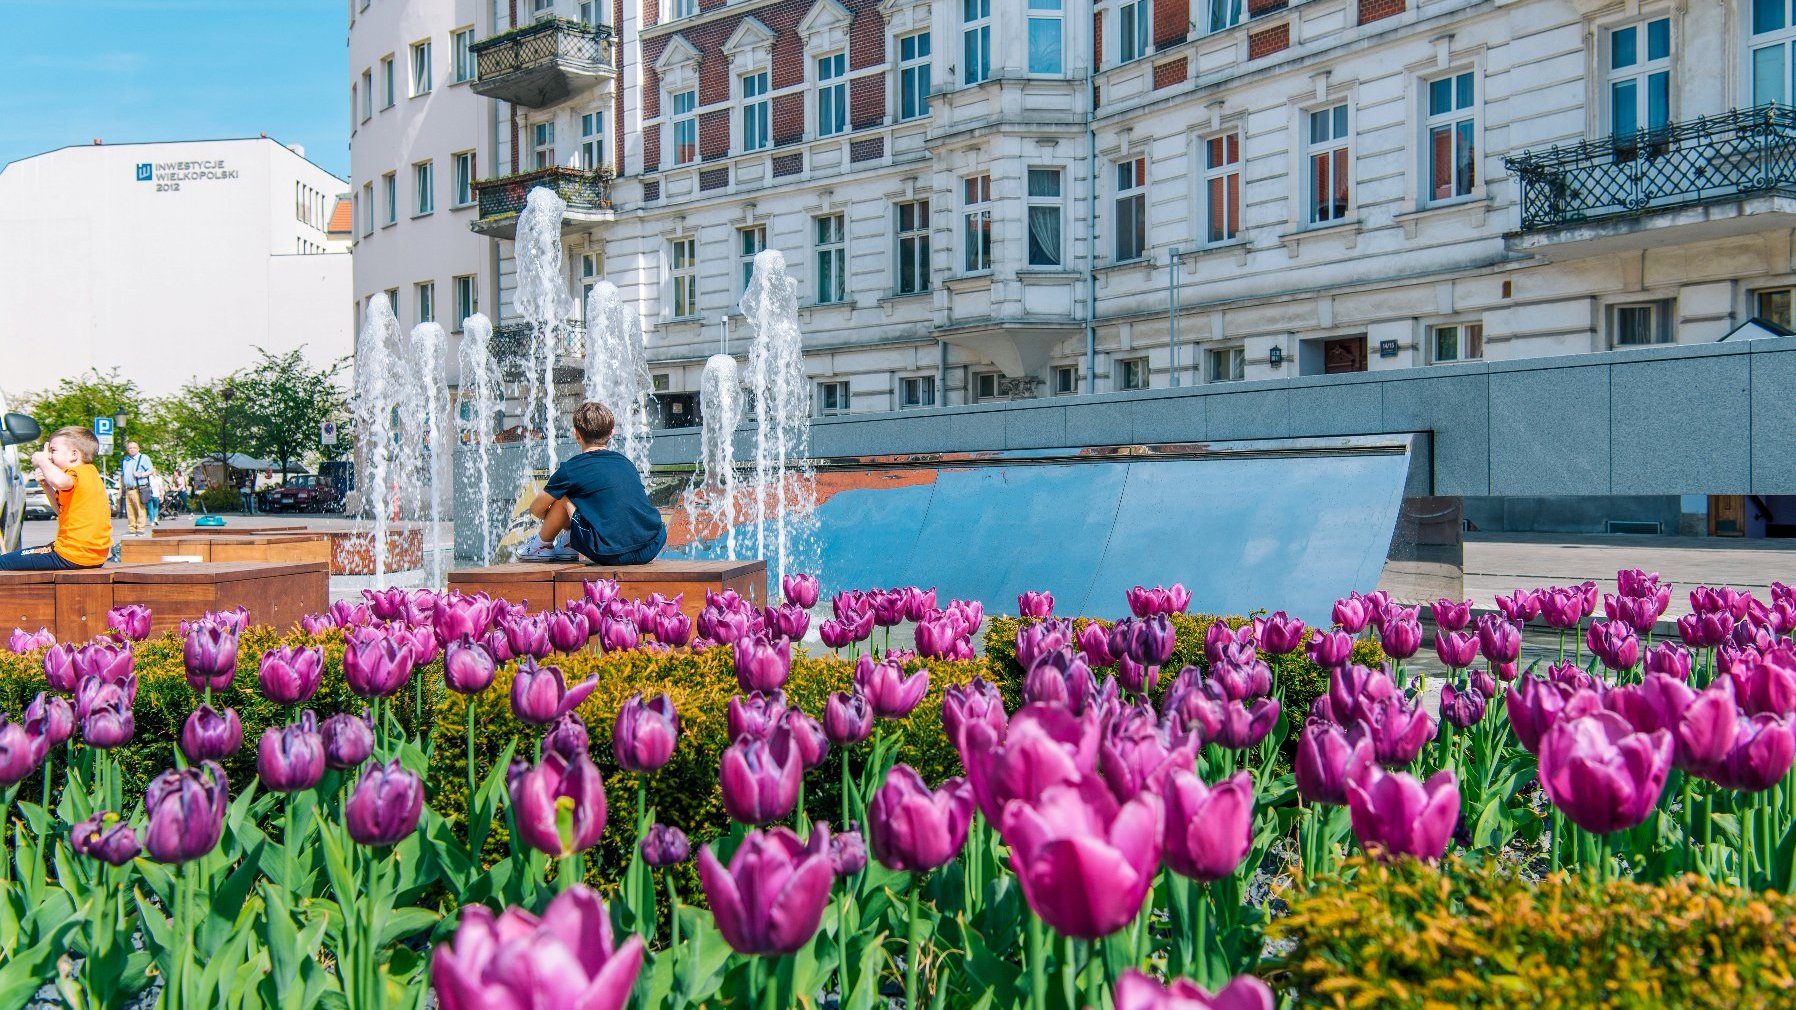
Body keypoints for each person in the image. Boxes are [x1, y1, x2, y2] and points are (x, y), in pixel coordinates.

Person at [518, 401, 666, 565]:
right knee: (590, 500)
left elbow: (536, 508)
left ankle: (542, 546)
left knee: (564, 496)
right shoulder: (626, 463)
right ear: (612, 433)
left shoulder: (571, 469)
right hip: (652, 543)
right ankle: (568, 543)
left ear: (576, 434)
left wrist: (557, 522)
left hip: (611, 553)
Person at [0, 427, 110, 570]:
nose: (50, 456)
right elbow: (60, 511)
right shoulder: (90, 473)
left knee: (3, 563)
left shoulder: (76, 473)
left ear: (74, 455)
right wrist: (46, 486)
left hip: (72, 554)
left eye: (53, 450)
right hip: (91, 555)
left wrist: (42, 461)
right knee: (22, 556)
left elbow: (59, 481)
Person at [120, 440, 156, 537]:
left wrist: (140, 475)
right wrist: (121, 488)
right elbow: (122, 475)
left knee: (140, 509)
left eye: (134, 448)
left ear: (138, 448)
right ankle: (132, 529)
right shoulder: (125, 460)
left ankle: (140, 528)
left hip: (138, 488)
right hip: (128, 489)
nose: (132, 450)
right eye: (130, 448)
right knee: (130, 510)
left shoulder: (143, 458)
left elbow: (151, 470)